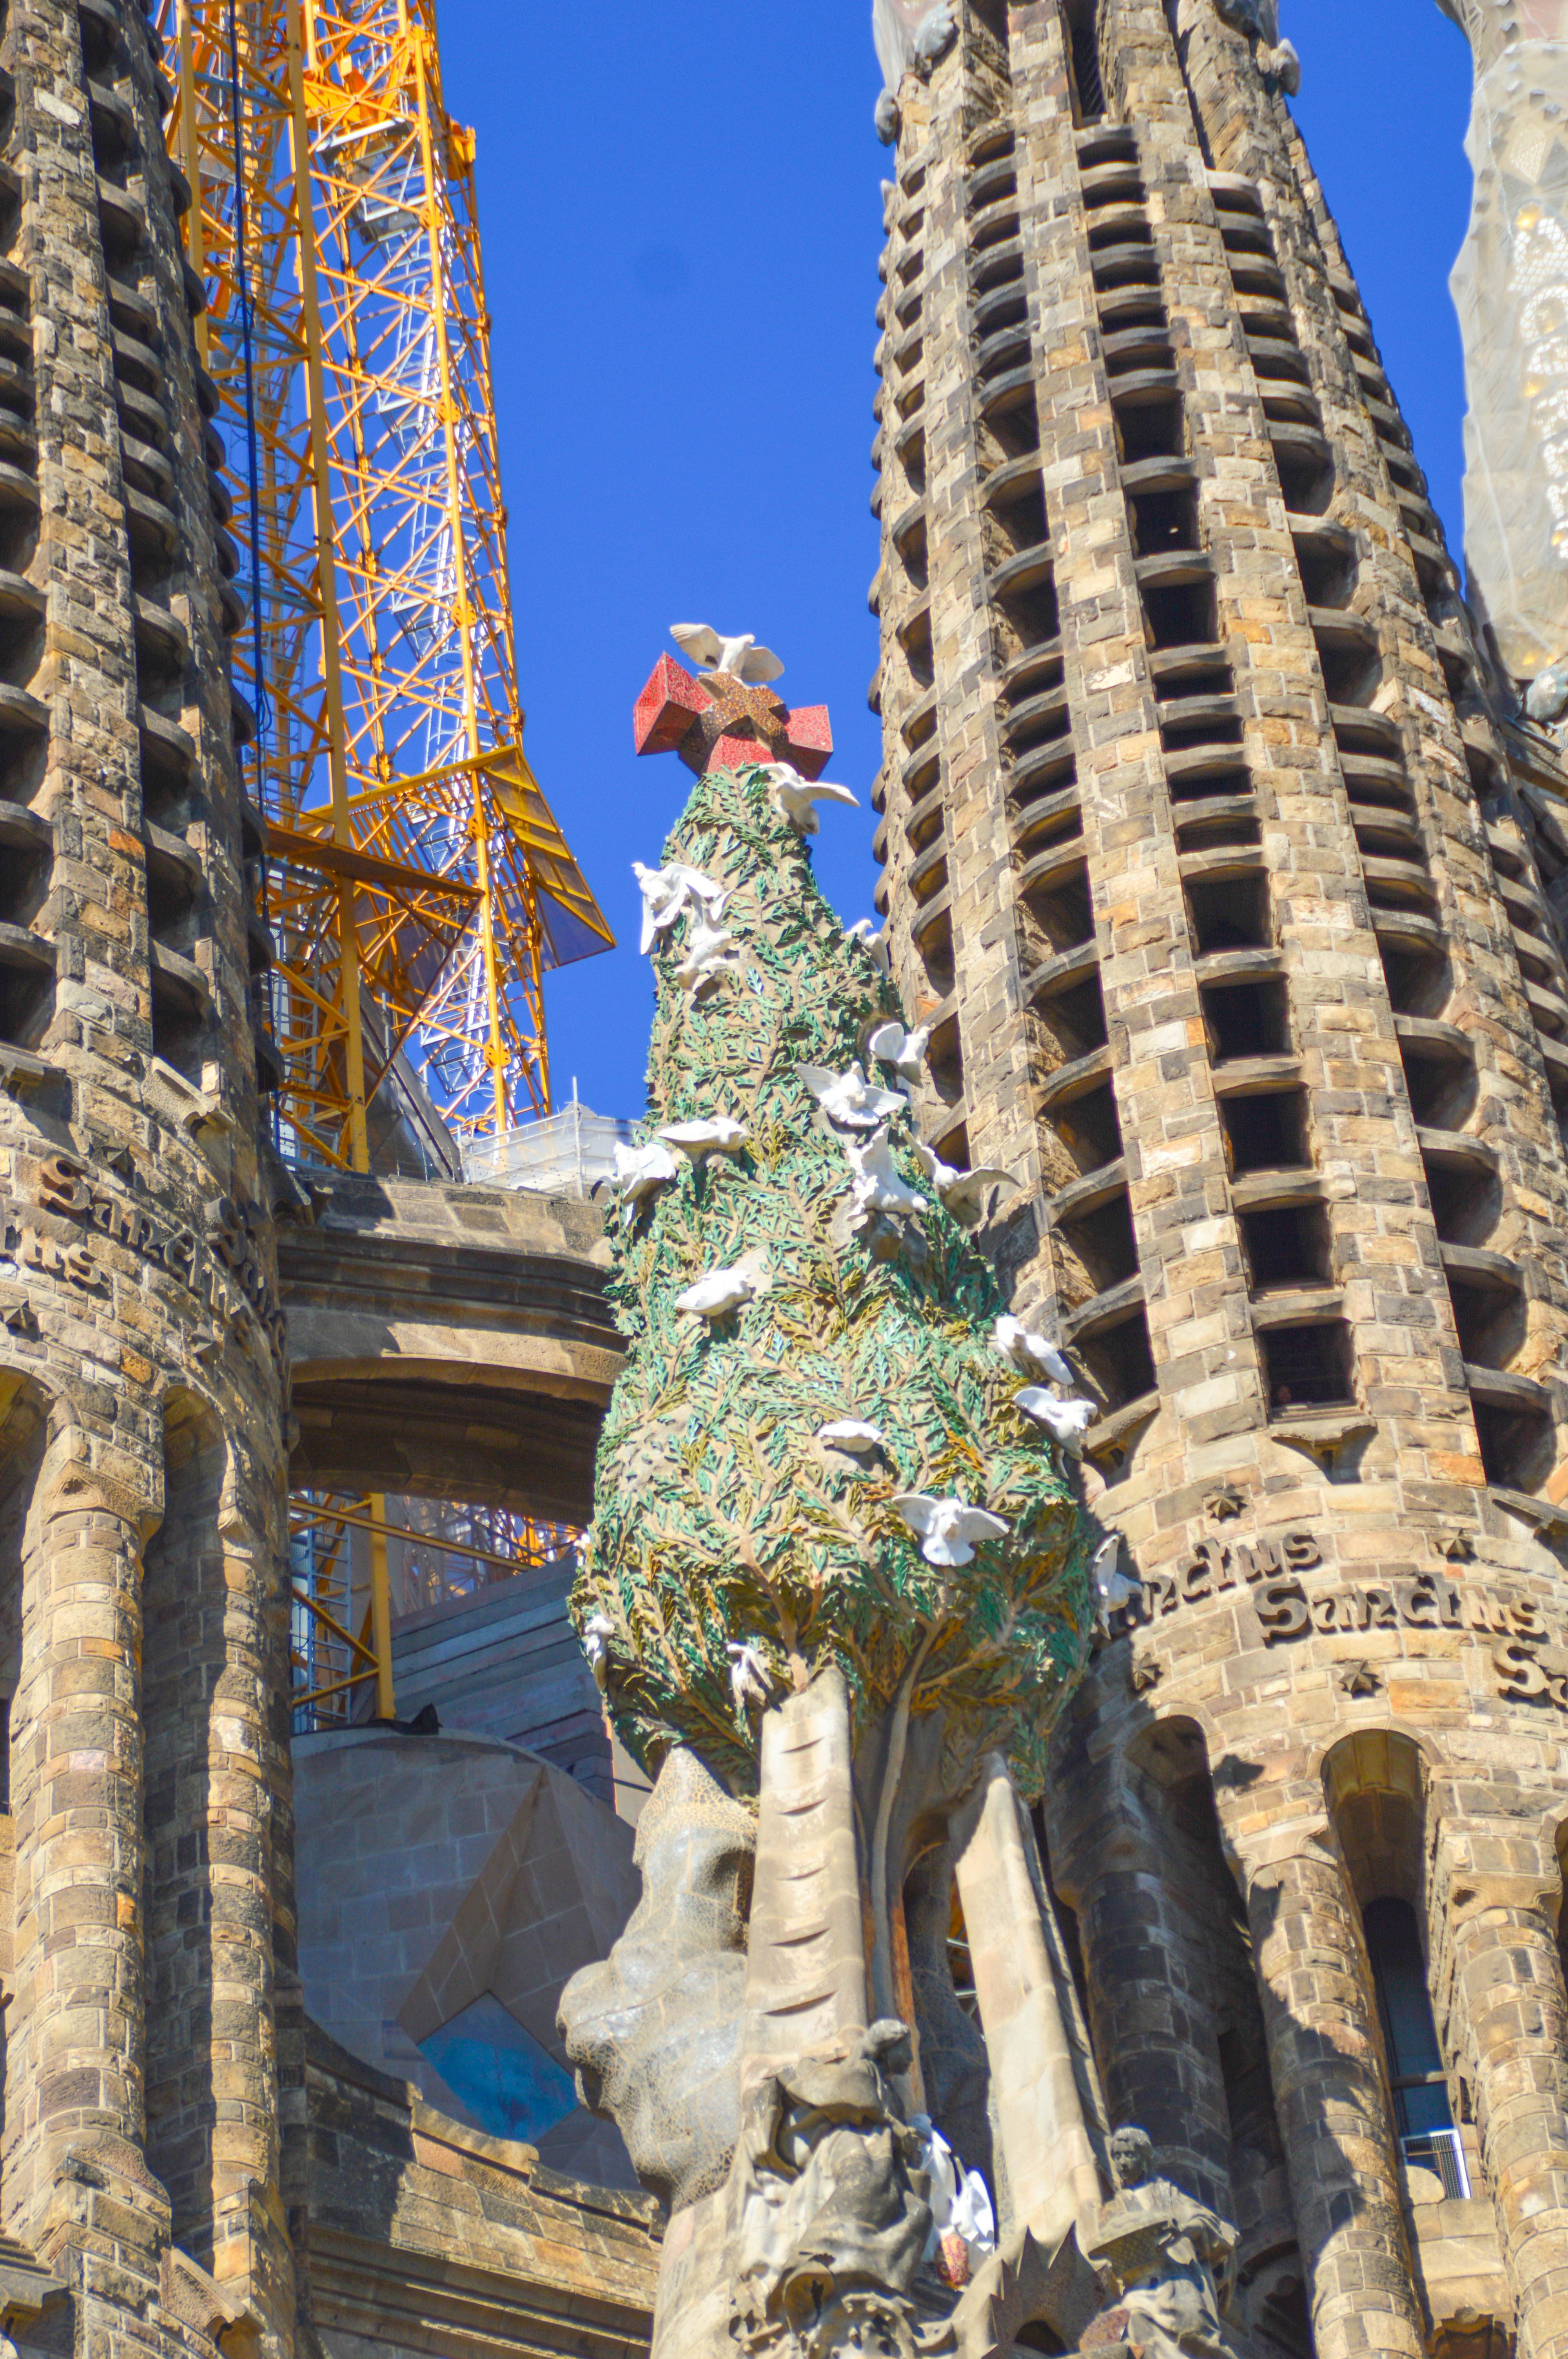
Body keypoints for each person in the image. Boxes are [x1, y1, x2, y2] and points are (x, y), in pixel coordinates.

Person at [1086, 2125, 1243, 2359]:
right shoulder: (1113, 2210)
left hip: (1177, 2279)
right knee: (1134, 2321)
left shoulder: (1167, 2195)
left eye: (1129, 2155)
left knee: (1194, 2331)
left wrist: (1186, 2230)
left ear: (1145, 2157)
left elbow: (1210, 2225)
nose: (1122, 2163)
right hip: (1138, 2286)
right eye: (1117, 2157)